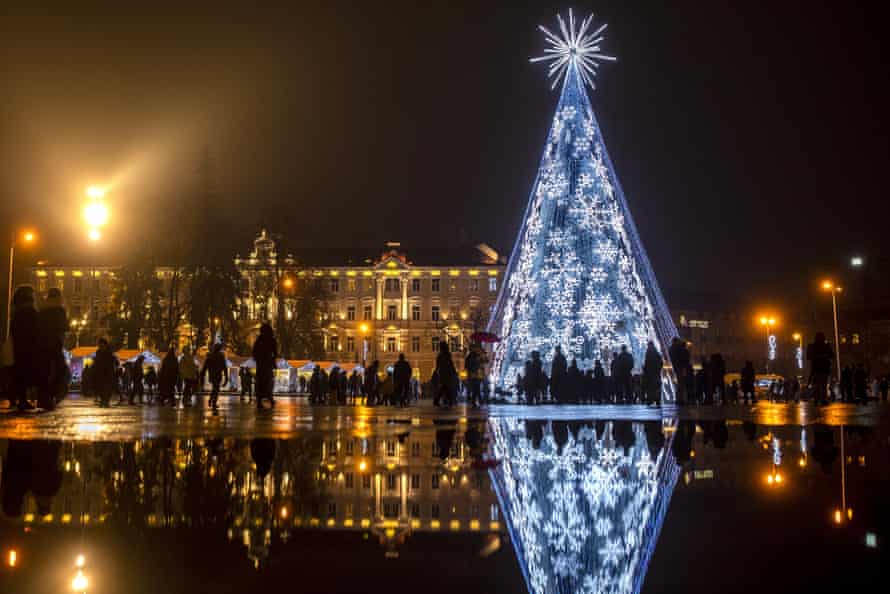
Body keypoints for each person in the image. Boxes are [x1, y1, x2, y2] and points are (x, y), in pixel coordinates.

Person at [9, 286, 41, 411]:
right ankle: (25, 400)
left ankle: (20, 399)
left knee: (19, 374)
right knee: (27, 373)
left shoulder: (15, 313)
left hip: (18, 348)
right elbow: (37, 330)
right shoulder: (31, 313)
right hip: (30, 348)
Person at [37, 287, 68, 409]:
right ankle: (52, 396)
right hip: (55, 345)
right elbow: (64, 327)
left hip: (42, 346)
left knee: (44, 373)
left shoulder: (42, 311)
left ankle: (43, 398)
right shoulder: (60, 310)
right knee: (60, 371)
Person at [252, 323, 278, 409]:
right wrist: (273, 361)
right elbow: (275, 352)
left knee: (261, 382)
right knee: (267, 382)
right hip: (266, 363)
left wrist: (257, 359)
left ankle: (261, 400)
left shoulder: (259, 339)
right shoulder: (271, 339)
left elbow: (254, 352)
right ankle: (269, 399)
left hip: (261, 364)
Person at [806, 332, 834, 405]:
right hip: (824, 368)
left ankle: (817, 399)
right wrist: (824, 356)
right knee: (823, 385)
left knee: (817, 384)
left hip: (816, 368)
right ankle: (823, 399)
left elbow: (808, 357)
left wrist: (816, 357)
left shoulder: (811, 346)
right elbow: (831, 355)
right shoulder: (826, 345)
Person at [200, 343, 228, 410]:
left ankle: (211, 400)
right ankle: (213, 402)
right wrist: (226, 377)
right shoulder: (220, 356)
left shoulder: (210, 356)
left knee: (215, 388)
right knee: (216, 388)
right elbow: (224, 367)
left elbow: (204, 367)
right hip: (217, 375)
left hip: (212, 375)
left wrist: (202, 375)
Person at [92, 338, 118, 407]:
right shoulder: (98, 352)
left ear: (105, 344)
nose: (100, 345)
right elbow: (96, 362)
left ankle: (106, 401)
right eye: (99, 344)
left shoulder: (109, 352)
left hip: (108, 373)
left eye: (101, 344)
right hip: (100, 373)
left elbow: (114, 361)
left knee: (107, 388)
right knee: (100, 388)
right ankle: (103, 400)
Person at [434, 341, 458, 407]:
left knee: (445, 387)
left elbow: (437, 365)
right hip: (447, 373)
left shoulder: (440, 355)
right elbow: (450, 364)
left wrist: (436, 371)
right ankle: (448, 401)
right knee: (446, 387)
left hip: (443, 373)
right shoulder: (447, 355)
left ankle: (441, 400)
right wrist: (454, 372)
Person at [668, 337, 691, 404]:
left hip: (677, 367)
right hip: (681, 367)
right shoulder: (678, 348)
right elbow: (685, 356)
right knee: (682, 383)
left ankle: (680, 398)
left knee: (680, 383)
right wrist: (683, 347)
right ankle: (681, 399)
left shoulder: (672, 348)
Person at [642, 341, 663, 405]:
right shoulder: (656, 352)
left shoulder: (648, 352)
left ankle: (650, 399)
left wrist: (645, 369)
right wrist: (658, 369)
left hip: (649, 373)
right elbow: (661, 362)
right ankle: (657, 399)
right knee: (656, 386)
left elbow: (646, 362)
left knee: (650, 387)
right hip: (656, 372)